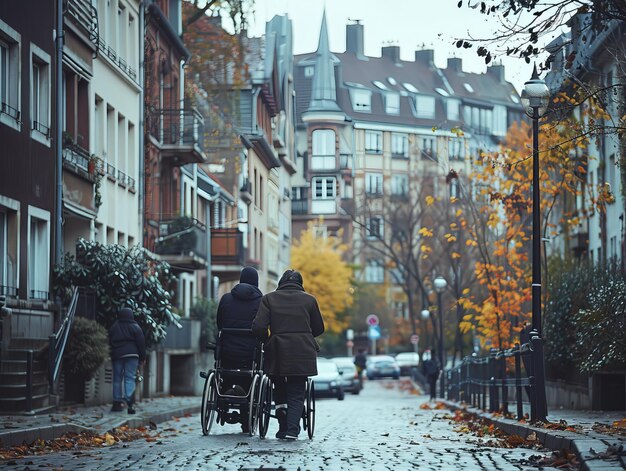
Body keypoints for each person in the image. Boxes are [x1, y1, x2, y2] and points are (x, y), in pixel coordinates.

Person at [252, 269, 325, 440]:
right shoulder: (309, 300)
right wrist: (304, 335)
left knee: (279, 387)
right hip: (302, 352)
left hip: (277, 351)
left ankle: (282, 426)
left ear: (281, 282)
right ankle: (292, 430)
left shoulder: (269, 299)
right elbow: (319, 328)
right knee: (297, 391)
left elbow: (259, 327)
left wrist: (268, 340)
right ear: (300, 284)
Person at [216, 266, 263, 433]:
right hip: (250, 354)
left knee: (225, 373)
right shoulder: (261, 301)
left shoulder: (226, 298)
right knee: (250, 376)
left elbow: (220, 323)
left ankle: (226, 392)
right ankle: (246, 416)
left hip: (227, 351)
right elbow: (262, 327)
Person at [109, 307, 146, 414]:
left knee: (117, 378)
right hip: (132, 355)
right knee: (130, 377)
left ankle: (117, 403)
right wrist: (142, 358)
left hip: (117, 356)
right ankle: (130, 402)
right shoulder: (135, 327)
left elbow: (109, 341)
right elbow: (141, 343)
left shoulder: (114, 327)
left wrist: (112, 353)